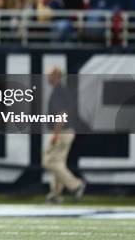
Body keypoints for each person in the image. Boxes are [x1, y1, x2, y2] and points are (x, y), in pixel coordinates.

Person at [43, 67, 86, 204]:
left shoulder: (58, 92)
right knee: (58, 163)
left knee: (49, 162)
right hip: (66, 131)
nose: (47, 77)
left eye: (49, 75)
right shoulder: (62, 91)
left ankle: (76, 185)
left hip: (61, 131)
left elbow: (62, 114)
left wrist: (56, 133)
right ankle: (55, 194)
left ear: (56, 76)